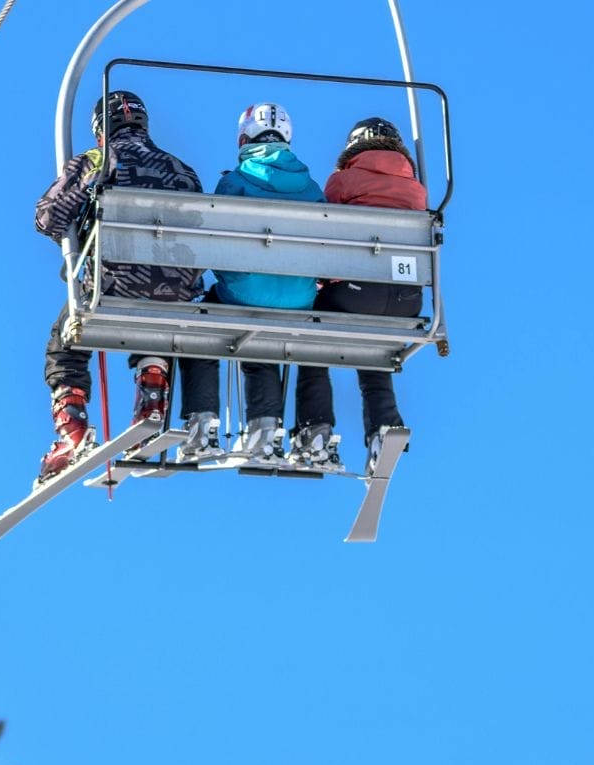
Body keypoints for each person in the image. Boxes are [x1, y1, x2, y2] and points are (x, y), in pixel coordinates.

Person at [34, 90, 206, 483]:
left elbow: (47, 217)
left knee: (64, 345)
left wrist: (77, 232)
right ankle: (152, 402)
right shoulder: (181, 170)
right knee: (154, 319)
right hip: (174, 289)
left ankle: (72, 431)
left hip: (112, 283)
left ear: (100, 131)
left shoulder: (99, 160)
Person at [177, 102, 326, 465]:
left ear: (244, 138)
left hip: (244, 293)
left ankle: (204, 423)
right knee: (265, 334)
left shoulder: (235, 182)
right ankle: (265, 429)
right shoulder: (312, 188)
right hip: (300, 299)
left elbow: (213, 240)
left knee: (204, 322)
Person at [292, 117, 428, 473]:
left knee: (310, 340)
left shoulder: (343, 181)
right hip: (406, 299)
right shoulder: (417, 190)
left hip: (355, 291)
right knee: (375, 353)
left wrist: (322, 281)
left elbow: (327, 232)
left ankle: (315, 428)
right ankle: (384, 426)